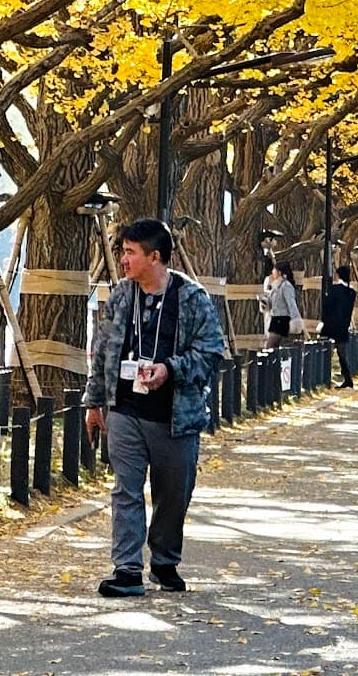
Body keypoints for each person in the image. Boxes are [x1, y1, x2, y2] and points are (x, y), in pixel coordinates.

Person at [84, 218, 225, 598]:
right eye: (123, 252)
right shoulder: (120, 297)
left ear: (155, 256)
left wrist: (170, 370)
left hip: (175, 418)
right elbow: (101, 352)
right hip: (125, 411)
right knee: (125, 490)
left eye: (130, 252)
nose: (124, 260)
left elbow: (213, 352)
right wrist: (95, 403)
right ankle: (127, 569)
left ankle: (164, 561)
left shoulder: (192, 299)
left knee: (172, 495)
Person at [321, 264, 357, 389]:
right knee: (342, 354)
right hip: (343, 325)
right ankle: (348, 378)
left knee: (325, 351)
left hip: (331, 324)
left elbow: (327, 307)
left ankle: (323, 377)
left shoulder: (334, 289)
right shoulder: (352, 292)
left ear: (338, 275)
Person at [263, 259, 299, 348]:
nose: (272, 271)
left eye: (274, 269)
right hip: (275, 319)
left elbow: (291, 304)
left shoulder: (286, 286)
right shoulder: (275, 286)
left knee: (271, 346)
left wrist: (296, 320)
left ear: (279, 272)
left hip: (282, 320)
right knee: (272, 347)